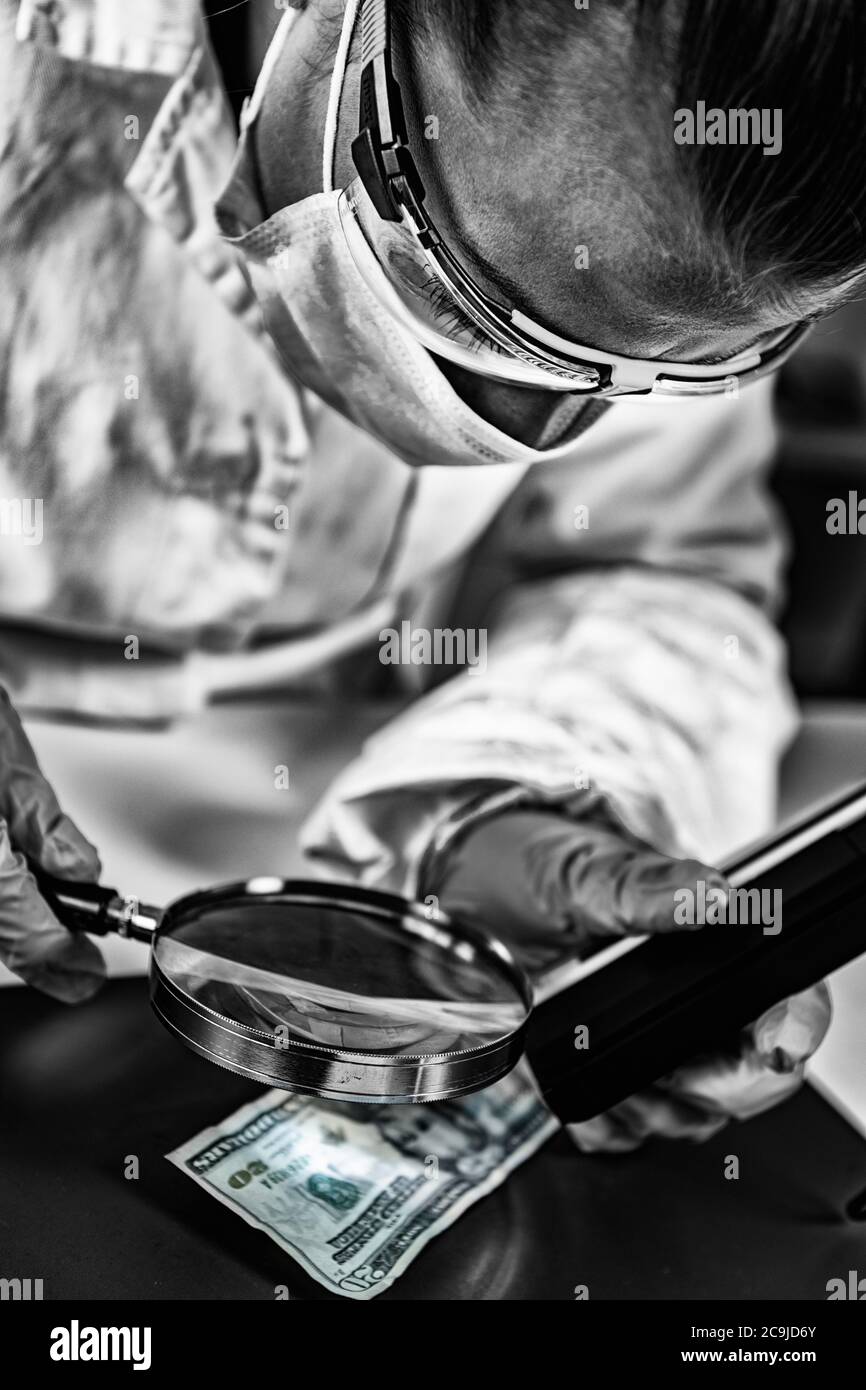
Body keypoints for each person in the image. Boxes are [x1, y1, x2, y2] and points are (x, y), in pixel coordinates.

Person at [0, 0, 860, 1150]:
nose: (533, 435)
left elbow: (657, 565)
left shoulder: (696, 178)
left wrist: (515, 803)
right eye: (475, 305)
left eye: (670, 372)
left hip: (329, 835)